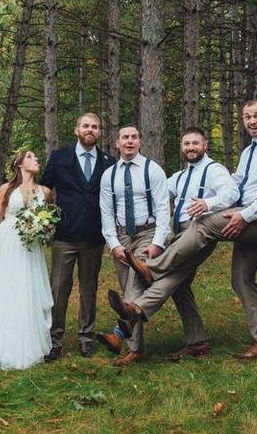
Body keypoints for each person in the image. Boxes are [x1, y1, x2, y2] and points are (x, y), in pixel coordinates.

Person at [111, 99, 257, 361]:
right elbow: (237, 182)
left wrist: (236, 211)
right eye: (247, 117)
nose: (252, 121)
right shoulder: (248, 151)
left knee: (202, 225)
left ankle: (148, 282)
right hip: (241, 218)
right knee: (240, 280)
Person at [156, 127, 239, 361]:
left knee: (169, 276)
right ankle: (197, 342)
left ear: (205, 146)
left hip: (197, 233)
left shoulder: (214, 170)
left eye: (195, 143)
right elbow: (159, 189)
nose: (190, 147)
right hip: (179, 232)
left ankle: (132, 316)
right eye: (186, 144)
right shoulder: (182, 175)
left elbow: (232, 192)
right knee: (179, 284)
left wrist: (208, 203)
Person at [39, 112, 115, 359]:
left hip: (94, 236)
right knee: (58, 288)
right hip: (64, 235)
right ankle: (54, 339)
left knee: (88, 289)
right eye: (85, 125)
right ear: (77, 129)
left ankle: (86, 337)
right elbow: (44, 188)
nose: (90, 129)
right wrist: (43, 218)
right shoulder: (60, 157)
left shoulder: (109, 162)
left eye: (94, 126)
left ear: (100, 132)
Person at [0, 150, 54, 369]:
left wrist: (43, 229)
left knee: (27, 290)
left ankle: (27, 344)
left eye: (36, 158)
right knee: (4, 290)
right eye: (30, 157)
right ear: (19, 163)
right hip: (7, 242)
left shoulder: (45, 192)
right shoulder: (6, 189)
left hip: (31, 248)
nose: (36, 159)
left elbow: (48, 221)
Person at [99, 126, 170, 366]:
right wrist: (113, 245)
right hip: (122, 237)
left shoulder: (153, 170)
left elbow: (163, 208)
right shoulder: (109, 175)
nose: (130, 141)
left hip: (146, 234)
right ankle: (134, 346)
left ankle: (123, 341)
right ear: (116, 143)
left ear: (140, 142)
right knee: (129, 290)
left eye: (134, 137)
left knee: (133, 287)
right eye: (125, 138)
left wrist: (158, 242)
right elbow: (106, 212)